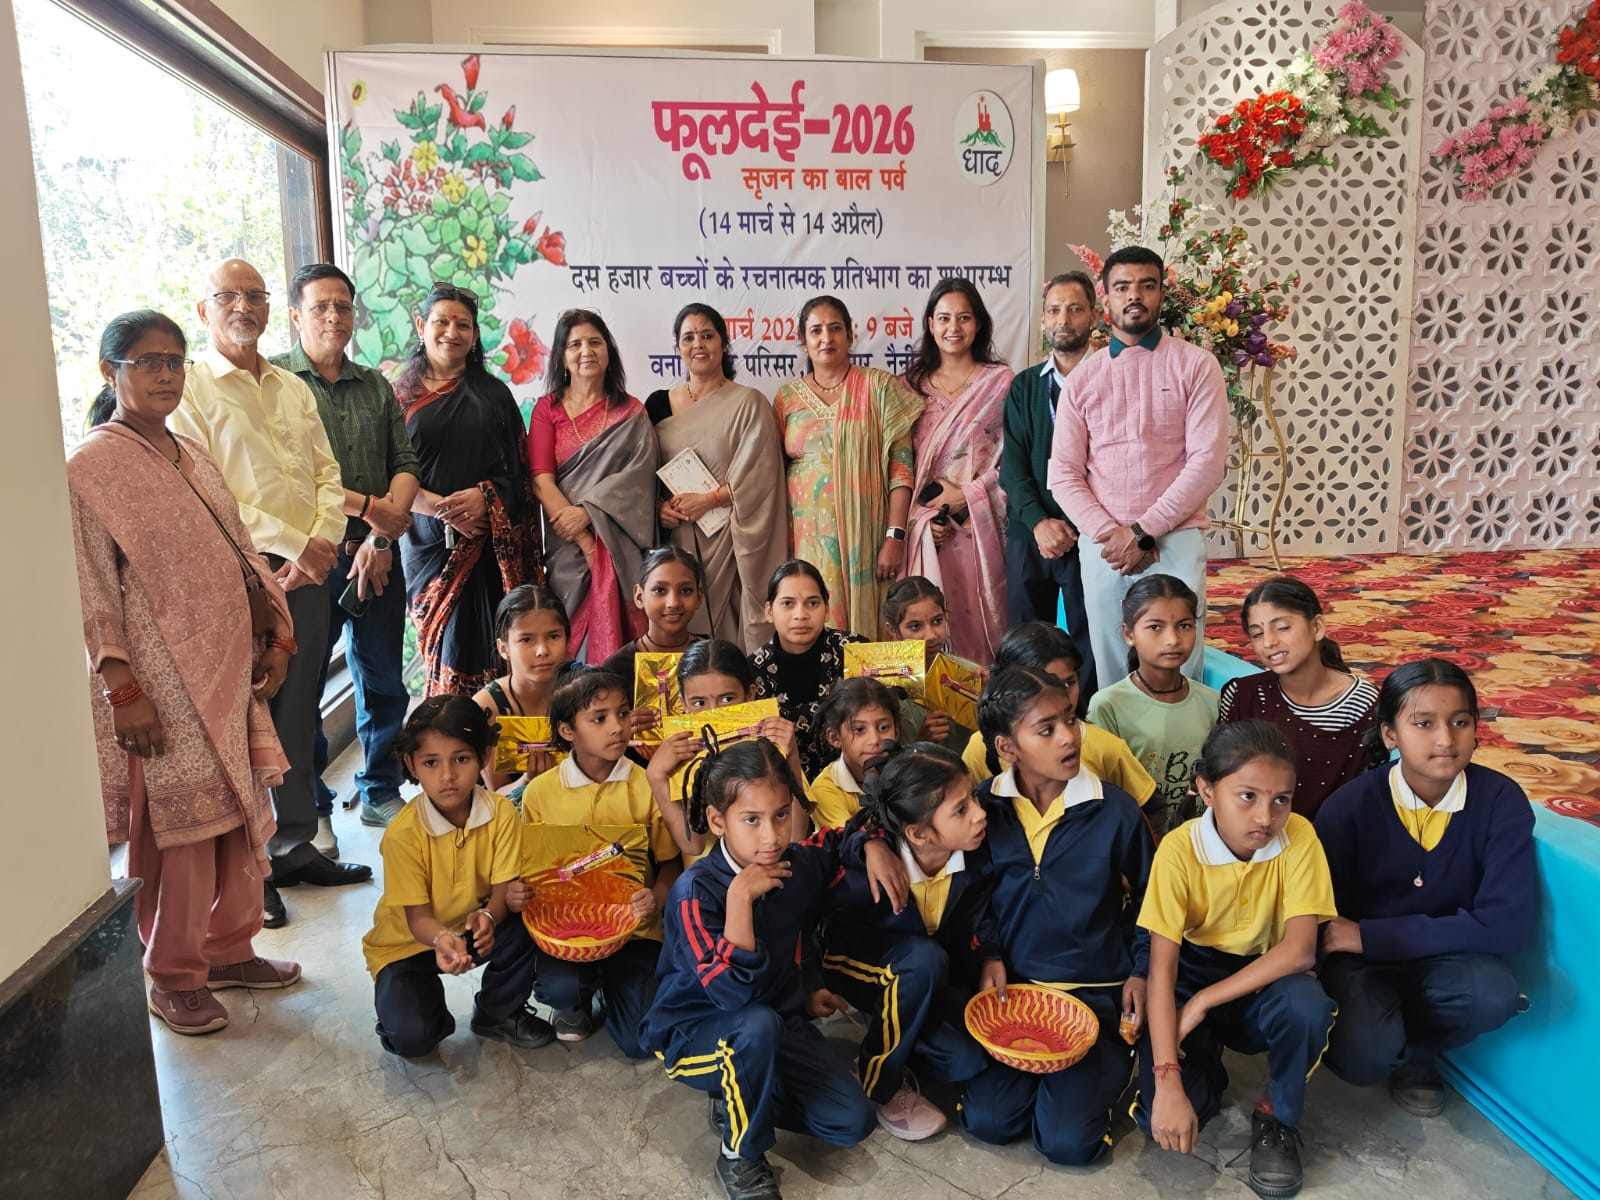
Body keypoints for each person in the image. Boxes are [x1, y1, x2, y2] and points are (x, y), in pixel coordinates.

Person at [71, 309, 300, 1035]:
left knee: (235, 813)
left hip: (228, 668)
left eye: (175, 360)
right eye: (148, 362)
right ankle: (173, 975)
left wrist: (274, 632)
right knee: (186, 829)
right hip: (161, 680)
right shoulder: (89, 468)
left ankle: (229, 950)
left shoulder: (190, 452)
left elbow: (241, 553)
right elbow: (91, 588)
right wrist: (123, 690)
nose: (167, 374)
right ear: (111, 372)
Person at [171, 258, 369, 926]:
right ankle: (249, 871)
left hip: (308, 575)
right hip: (239, 578)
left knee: (299, 709)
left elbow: (326, 471)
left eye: (254, 295)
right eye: (228, 295)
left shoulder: (290, 385)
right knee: (244, 717)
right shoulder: (192, 390)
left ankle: (294, 845)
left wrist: (322, 541)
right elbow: (204, 488)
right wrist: (294, 542)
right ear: (204, 309)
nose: (243, 307)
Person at [641, 739, 882, 1200]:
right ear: (718, 821)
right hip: (694, 1033)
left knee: (852, 1120)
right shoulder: (695, 892)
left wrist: (870, 846)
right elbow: (732, 995)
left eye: (781, 814)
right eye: (751, 820)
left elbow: (836, 841)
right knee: (754, 1026)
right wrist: (739, 898)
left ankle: (739, 1096)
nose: (771, 836)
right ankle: (740, 1155)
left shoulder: (792, 864)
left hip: (775, 1022)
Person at [1315, 659, 1534, 1118]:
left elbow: (1506, 927)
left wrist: (1371, 935)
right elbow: (1323, 923)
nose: (1445, 739)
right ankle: (1381, 1038)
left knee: (1491, 994)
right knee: (1363, 1056)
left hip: (1439, 955)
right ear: (1389, 734)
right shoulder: (1349, 807)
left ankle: (1418, 1054)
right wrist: (1357, 947)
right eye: (1423, 723)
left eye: (1460, 722)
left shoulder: (1501, 801)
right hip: (1362, 964)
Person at [1135, 720, 1337, 1200]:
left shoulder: (1300, 837)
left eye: (1282, 799)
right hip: (1191, 972)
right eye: (1247, 796)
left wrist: (1204, 1001)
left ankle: (1278, 1117)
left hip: (1264, 977)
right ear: (1207, 790)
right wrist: (1167, 1077)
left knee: (1305, 1004)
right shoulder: (1179, 850)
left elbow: (1299, 950)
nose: (1266, 816)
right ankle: (1205, 1065)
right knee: (1161, 1117)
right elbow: (1162, 972)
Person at [961, 667, 1155, 1165]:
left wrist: (1142, 969)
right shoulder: (983, 809)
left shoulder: (1115, 812)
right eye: (1045, 729)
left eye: (1069, 719)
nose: (1069, 737)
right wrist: (990, 953)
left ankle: (1112, 1071)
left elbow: (1156, 898)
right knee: (988, 1122)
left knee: (1068, 1144)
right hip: (1014, 997)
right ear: (1006, 747)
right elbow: (973, 896)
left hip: (1096, 995)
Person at [273, 263, 420, 842]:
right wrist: (370, 510)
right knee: (303, 685)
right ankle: (312, 808)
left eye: (342, 306)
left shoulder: (375, 385)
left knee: (384, 677)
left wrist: (381, 537)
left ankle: (381, 788)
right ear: (296, 315)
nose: (334, 316)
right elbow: (287, 479)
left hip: (377, 555)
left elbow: (404, 463)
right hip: (307, 559)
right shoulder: (276, 382)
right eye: (320, 306)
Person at [1048, 247, 1228, 687]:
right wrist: (1113, 534)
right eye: (1123, 287)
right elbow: (1064, 475)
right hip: (1105, 546)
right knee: (1113, 669)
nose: (1134, 296)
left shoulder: (1196, 365)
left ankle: (1186, 735)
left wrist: (1145, 531)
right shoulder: (1082, 379)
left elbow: (1207, 464)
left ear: (1161, 294)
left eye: (1147, 286)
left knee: (1181, 666)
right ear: (1105, 298)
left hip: (1175, 539)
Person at [823, 742, 999, 1141]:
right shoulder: (872, 863)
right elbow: (842, 840)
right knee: (924, 960)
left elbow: (980, 916)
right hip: (856, 965)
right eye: (961, 809)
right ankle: (877, 1080)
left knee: (967, 1059)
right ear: (917, 833)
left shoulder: (974, 856)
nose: (979, 813)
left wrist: (989, 955)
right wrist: (867, 841)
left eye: (973, 797)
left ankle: (895, 1025)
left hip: (926, 973)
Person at [360, 697, 552, 1057]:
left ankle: (497, 1012)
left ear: (483, 756)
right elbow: (417, 919)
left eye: (461, 759)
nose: (447, 776)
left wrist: (491, 914)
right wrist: (442, 939)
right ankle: (411, 1009)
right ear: (411, 765)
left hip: (472, 929)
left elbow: (503, 888)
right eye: (431, 762)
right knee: (413, 1038)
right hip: (408, 945)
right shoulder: (403, 835)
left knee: (529, 916)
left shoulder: (502, 813)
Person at [519, 667, 682, 1053]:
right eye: (599, 718)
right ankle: (573, 1001)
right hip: (567, 930)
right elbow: (532, 874)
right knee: (561, 986)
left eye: (623, 713)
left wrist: (656, 898)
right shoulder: (539, 794)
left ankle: (613, 987)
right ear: (567, 730)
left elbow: (671, 863)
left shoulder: (647, 783)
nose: (617, 727)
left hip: (635, 929)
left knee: (639, 1043)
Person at [394, 283, 540, 697]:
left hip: (486, 547)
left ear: (475, 335)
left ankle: (500, 728)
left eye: (463, 325)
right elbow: (385, 471)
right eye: (441, 322)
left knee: (489, 646)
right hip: (427, 548)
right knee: (445, 648)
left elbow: (521, 475)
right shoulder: (398, 396)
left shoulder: (494, 396)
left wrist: (485, 498)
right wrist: (436, 506)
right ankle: (450, 728)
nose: (451, 332)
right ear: (421, 326)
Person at [774, 295, 924, 639]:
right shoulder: (786, 398)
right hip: (806, 539)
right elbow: (775, 473)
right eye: (816, 331)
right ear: (803, 340)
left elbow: (901, 470)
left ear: (850, 335)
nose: (826, 338)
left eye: (835, 328)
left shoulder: (879, 387)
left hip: (866, 539)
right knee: (812, 621)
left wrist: (894, 537)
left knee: (865, 632)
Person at [648, 303, 789, 650]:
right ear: (678, 346)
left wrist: (709, 500)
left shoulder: (749, 403)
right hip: (679, 539)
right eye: (688, 337)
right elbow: (643, 473)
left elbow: (764, 478)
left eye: (707, 335)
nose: (698, 344)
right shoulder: (657, 405)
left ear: (723, 344)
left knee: (732, 643)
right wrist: (658, 507)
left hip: (732, 541)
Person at [530, 309, 657, 663]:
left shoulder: (631, 412)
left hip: (619, 551)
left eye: (595, 342)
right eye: (575, 345)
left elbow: (639, 481)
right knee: (569, 647)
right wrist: (585, 539)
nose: (586, 351)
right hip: (567, 551)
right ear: (562, 357)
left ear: (608, 352)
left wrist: (589, 513)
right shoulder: (547, 410)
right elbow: (541, 481)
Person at [900, 278, 1013, 662]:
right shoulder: (907, 389)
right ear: (930, 324)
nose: (954, 328)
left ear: (978, 323)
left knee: (979, 630)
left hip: (983, 533)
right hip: (928, 534)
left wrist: (967, 496)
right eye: (944, 318)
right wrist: (920, 520)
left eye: (964, 318)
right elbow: (898, 469)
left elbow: (1015, 463)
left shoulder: (1001, 384)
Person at [999, 272, 1101, 698]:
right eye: (1055, 310)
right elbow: (1012, 468)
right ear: (1042, 320)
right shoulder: (1025, 386)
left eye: (1075, 309)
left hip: (1090, 534)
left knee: (1091, 637)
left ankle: (1087, 716)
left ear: (1094, 316)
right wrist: (1040, 523)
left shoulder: (1110, 377)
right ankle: (1028, 714)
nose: (1064, 319)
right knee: (1027, 638)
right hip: (1030, 533)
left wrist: (1075, 524)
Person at [1220, 576, 1378, 819]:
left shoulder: (1361, 703)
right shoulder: (1243, 695)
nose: (1269, 642)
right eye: (1257, 634)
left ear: (1317, 627)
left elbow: (1369, 792)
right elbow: (1221, 777)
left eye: (1282, 627)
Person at [961, 622, 1157, 808]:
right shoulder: (980, 748)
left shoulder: (1106, 748)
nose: (1061, 696)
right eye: (1044, 685)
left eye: (1069, 682)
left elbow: (1150, 808)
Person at [649, 640, 809, 862]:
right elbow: (692, 845)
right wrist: (656, 775)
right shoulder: (679, 759)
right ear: (683, 703)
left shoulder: (770, 751)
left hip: (773, 868)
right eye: (699, 703)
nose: (714, 713)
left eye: (727, 699)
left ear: (750, 694)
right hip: (711, 877)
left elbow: (796, 836)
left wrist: (791, 756)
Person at [1087, 576, 1221, 836]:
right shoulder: (1108, 706)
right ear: (1129, 634)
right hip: (1137, 840)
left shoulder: (1211, 701)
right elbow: (1102, 788)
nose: (1172, 639)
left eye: (1184, 626)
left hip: (1199, 839)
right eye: (1155, 627)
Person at [749, 559, 867, 779]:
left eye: (812, 603)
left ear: (827, 609)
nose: (800, 614)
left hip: (857, 779)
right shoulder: (753, 670)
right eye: (788, 603)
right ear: (769, 611)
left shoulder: (855, 651)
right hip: (782, 785)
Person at [599, 546, 708, 743]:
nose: (673, 602)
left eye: (685, 590)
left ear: (699, 598)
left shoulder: (713, 657)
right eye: (660, 590)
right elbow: (599, 737)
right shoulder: (617, 668)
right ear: (639, 596)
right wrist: (620, 728)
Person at [473, 584, 570, 801]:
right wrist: (527, 781)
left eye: (553, 636)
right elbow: (496, 794)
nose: (542, 650)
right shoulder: (487, 707)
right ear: (503, 648)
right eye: (526, 639)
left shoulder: (582, 694)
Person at [882, 575, 973, 752]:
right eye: (915, 626)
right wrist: (921, 742)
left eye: (937, 621)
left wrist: (990, 697)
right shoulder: (881, 686)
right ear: (893, 630)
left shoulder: (968, 674)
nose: (931, 635)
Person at [807, 678, 902, 830]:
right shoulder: (825, 789)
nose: (874, 740)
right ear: (835, 738)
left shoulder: (910, 774)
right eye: (859, 730)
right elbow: (853, 841)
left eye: (883, 728)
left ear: (896, 731)